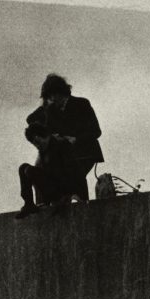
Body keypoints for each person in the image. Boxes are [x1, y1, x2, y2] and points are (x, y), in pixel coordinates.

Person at [18, 73, 103, 218]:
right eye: (48, 97)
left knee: (74, 177)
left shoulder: (81, 104)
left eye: (53, 96)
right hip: (63, 154)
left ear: (61, 93)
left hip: (84, 151)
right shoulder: (50, 110)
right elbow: (31, 120)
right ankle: (54, 201)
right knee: (54, 175)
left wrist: (75, 139)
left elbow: (96, 131)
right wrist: (45, 108)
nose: (52, 100)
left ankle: (77, 200)